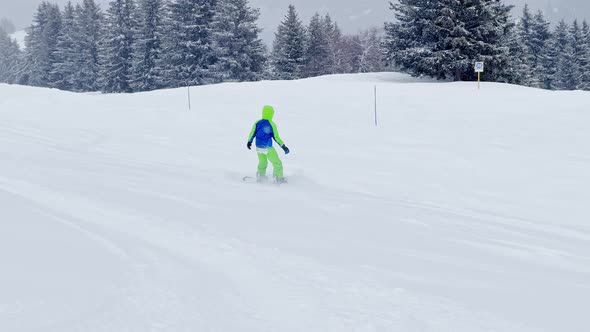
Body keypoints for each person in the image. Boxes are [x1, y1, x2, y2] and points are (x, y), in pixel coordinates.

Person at [247, 105, 290, 183]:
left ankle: (260, 176)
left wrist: (249, 142)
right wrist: (283, 146)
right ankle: (278, 178)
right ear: (271, 114)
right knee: (277, 163)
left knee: (262, 162)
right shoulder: (271, 124)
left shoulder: (257, 122)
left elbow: (252, 132)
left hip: (258, 147)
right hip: (267, 147)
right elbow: (276, 137)